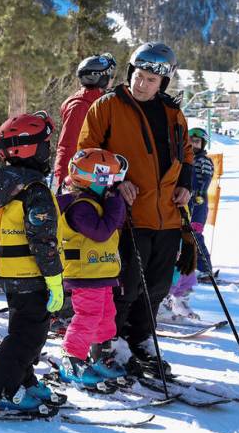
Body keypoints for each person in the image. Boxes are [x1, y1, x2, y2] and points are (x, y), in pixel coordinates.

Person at [76, 42, 194, 377]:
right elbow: (85, 155)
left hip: (167, 215)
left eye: (151, 81)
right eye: (139, 77)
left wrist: (186, 183)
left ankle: (142, 342)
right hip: (125, 215)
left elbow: (186, 154)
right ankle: (109, 344)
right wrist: (114, 182)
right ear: (131, 74)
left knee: (156, 287)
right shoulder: (107, 106)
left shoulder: (172, 113)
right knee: (124, 286)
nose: (142, 84)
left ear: (163, 84)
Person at [0, 112, 65, 416]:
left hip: (10, 274)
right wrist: (54, 279)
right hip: (33, 274)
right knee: (26, 337)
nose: (49, 149)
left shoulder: (1, 185)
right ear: (29, 149)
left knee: (26, 333)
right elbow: (42, 240)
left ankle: (26, 382)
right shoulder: (33, 190)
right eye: (46, 144)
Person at [56, 148, 129, 388]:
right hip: (85, 273)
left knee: (106, 315)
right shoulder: (80, 206)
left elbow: (113, 226)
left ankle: (100, 355)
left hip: (101, 272)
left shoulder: (96, 201)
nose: (113, 184)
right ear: (96, 178)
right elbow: (101, 232)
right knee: (88, 316)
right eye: (110, 179)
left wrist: (114, 204)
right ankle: (72, 357)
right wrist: (116, 201)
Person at [162, 127, 214, 321]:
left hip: (193, 211)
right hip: (175, 214)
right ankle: (165, 299)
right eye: (190, 141)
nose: (193, 145)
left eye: (197, 142)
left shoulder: (203, 162)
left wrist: (197, 193)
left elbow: (204, 182)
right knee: (175, 256)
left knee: (189, 251)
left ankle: (181, 298)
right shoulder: (178, 161)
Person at [53, 55, 117, 189]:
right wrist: (62, 183)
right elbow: (67, 146)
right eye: (111, 76)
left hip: (97, 171)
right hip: (81, 178)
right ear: (100, 78)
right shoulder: (80, 107)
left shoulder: (101, 102)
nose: (113, 79)